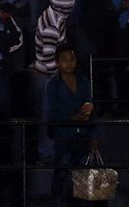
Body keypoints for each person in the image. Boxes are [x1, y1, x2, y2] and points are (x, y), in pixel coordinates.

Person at [45, 46, 97, 207]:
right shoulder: (53, 85)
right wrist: (73, 118)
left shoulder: (83, 81)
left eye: (72, 59)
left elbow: (91, 108)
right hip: (63, 135)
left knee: (81, 176)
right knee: (61, 174)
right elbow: (51, 113)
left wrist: (94, 136)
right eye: (64, 60)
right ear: (57, 63)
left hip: (83, 135)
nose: (69, 64)